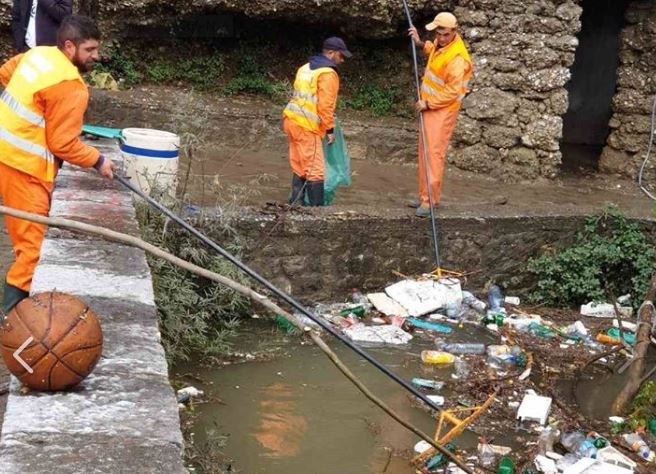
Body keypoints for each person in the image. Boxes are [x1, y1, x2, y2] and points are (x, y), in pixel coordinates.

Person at [0, 14, 115, 314]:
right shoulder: (71, 86)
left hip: (5, 153)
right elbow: (63, 144)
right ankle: (14, 324)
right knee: (33, 252)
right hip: (24, 169)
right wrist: (99, 160)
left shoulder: (37, 55)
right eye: (89, 50)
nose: (96, 57)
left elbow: (5, 74)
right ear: (69, 46)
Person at [408, 12, 472, 217]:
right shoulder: (441, 44)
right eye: (438, 33)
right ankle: (426, 196)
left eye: (444, 34)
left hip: (441, 112)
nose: (440, 37)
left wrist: (428, 103)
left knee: (433, 155)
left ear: (454, 32)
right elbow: (434, 52)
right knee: (424, 152)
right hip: (430, 109)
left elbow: (453, 92)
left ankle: (428, 202)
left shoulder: (457, 59)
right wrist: (420, 43)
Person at [282, 37, 351, 206]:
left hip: (291, 120)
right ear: (330, 53)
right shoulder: (327, 73)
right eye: (341, 56)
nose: (342, 60)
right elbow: (325, 106)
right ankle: (316, 213)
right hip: (307, 125)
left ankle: (295, 204)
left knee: (299, 165)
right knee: (315, 169)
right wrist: (329, 130)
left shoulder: (305, 68)